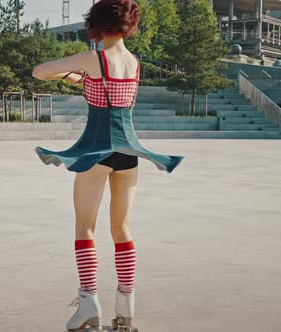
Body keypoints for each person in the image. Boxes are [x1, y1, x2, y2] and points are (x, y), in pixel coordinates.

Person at [31, 0, 184, 330]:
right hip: (127, 152)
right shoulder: (133, 61)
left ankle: (88, 305)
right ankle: (126, 309)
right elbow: (112, 91)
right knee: (122, 228)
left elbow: (39, 72)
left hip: (95, 149)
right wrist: (81, 76)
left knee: (85, 226)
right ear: (129, 25)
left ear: (97, 24)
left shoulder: (94, 57)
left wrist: (73, 72)